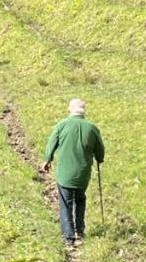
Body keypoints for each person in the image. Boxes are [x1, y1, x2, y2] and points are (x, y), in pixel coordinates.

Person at [42, 98, 105, 246]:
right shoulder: (92, 128)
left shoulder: (61, 125)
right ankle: (80, 230)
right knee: (80, 199)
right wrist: (99, 158)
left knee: (66, 203)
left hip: (65, 174)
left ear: (70, 110)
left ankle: (69, 237)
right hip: (83, 175)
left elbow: (51, 144)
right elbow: (100, 152)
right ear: (84, 111)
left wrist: (47, 160)